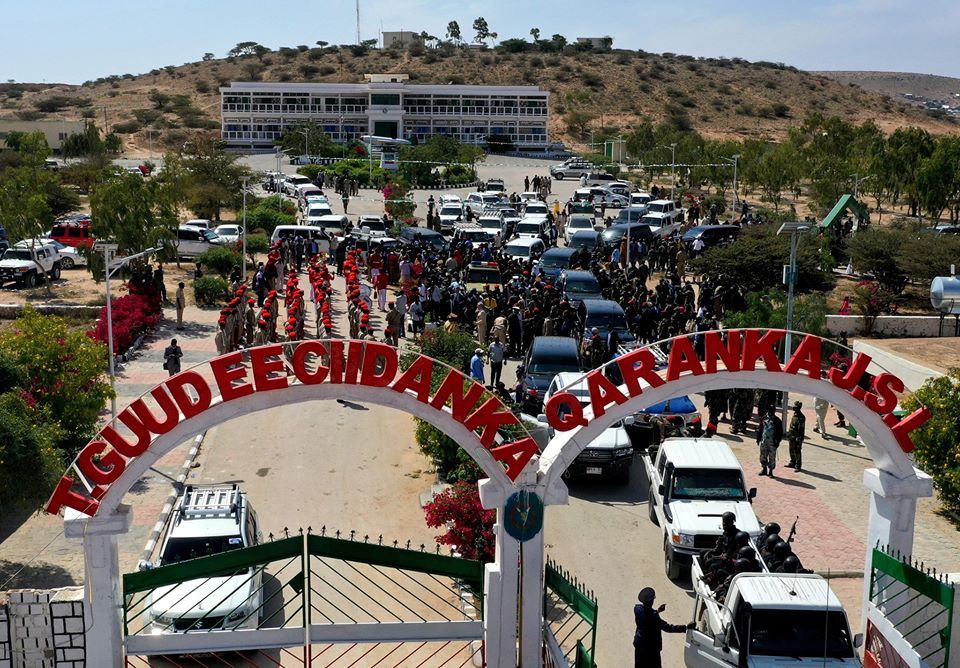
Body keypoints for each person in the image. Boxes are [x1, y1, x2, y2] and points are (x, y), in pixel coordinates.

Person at [633, 587, 693, 668]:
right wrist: (686, 627)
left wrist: (657, 611)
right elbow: (668, 628)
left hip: (639, 644)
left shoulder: (637, 609)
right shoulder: (654, 617)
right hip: (651, 649)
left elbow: (647, 615)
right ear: (652, 601)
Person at [756, 405, 783, 477]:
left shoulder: (777, 421)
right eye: (770, 410)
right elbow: (760, 429)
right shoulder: (764, 418)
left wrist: (778, 441)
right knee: (763, 456)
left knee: (772, 457)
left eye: (773, 410)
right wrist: (758, 438)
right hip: (764, 441)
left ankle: (770, 471)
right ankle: (764, 469)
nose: (771, 412)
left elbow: (780, 433)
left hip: (772, 442)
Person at [786, 401, 806, 471]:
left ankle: (798, 465)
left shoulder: (801, 417)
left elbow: (801, 429)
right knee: (791, 449)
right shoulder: (795, 414)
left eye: (795, 407)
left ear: (799, 408)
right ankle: (793, 462)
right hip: (792, 436)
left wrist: (799, 438)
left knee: (797, 451)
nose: (793, 407)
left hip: (797, 437)